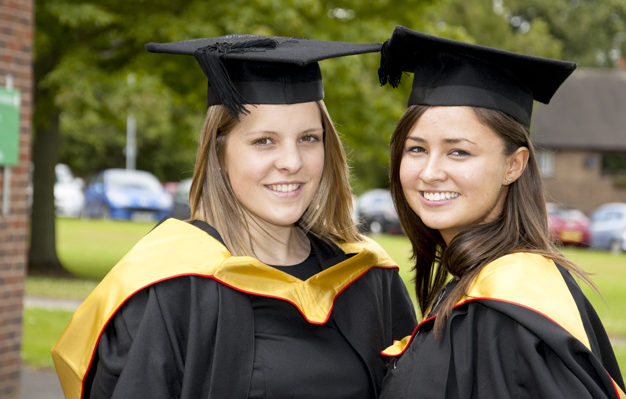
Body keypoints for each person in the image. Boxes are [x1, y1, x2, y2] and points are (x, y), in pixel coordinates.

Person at [52, 34, 417, 399]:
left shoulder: (367, 277)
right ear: (219, 153)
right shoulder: (172, 286)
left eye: (308, 138)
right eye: (264, 141)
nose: (292, 162)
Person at [376, 26, 626, 399]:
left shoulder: (511, 307)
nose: (430, 172)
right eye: (416, 149)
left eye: (459, 151)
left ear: (514, 165)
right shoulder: (474, 284)